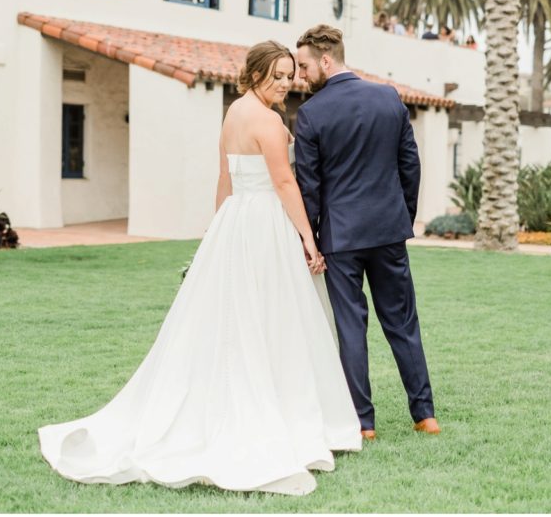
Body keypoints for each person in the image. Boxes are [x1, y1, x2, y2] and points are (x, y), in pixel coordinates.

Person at [39, 41, 362, 496]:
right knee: (275, 316)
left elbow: (225, 178)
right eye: (277, 75)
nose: (286, 84)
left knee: (242, 314)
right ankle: (282, 413)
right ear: (253, 74)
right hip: (265, 223)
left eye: (290, 75)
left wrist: (218, 231)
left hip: (235, 222)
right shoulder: (268, 121)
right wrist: (308, 238)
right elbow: (285, 182)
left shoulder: (232, 114)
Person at [293, 25, 439, 440]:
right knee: (403, 323)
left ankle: (364, 423)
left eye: (303, 66)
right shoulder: (388, 97)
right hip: (388, 230)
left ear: (326, 59)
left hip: (340, 238)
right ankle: (425, 415)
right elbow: (410, 165)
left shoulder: (312, 114)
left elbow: (310, 185)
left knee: (351, 328)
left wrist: (312, 237)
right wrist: (401, 216)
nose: (301, 76)